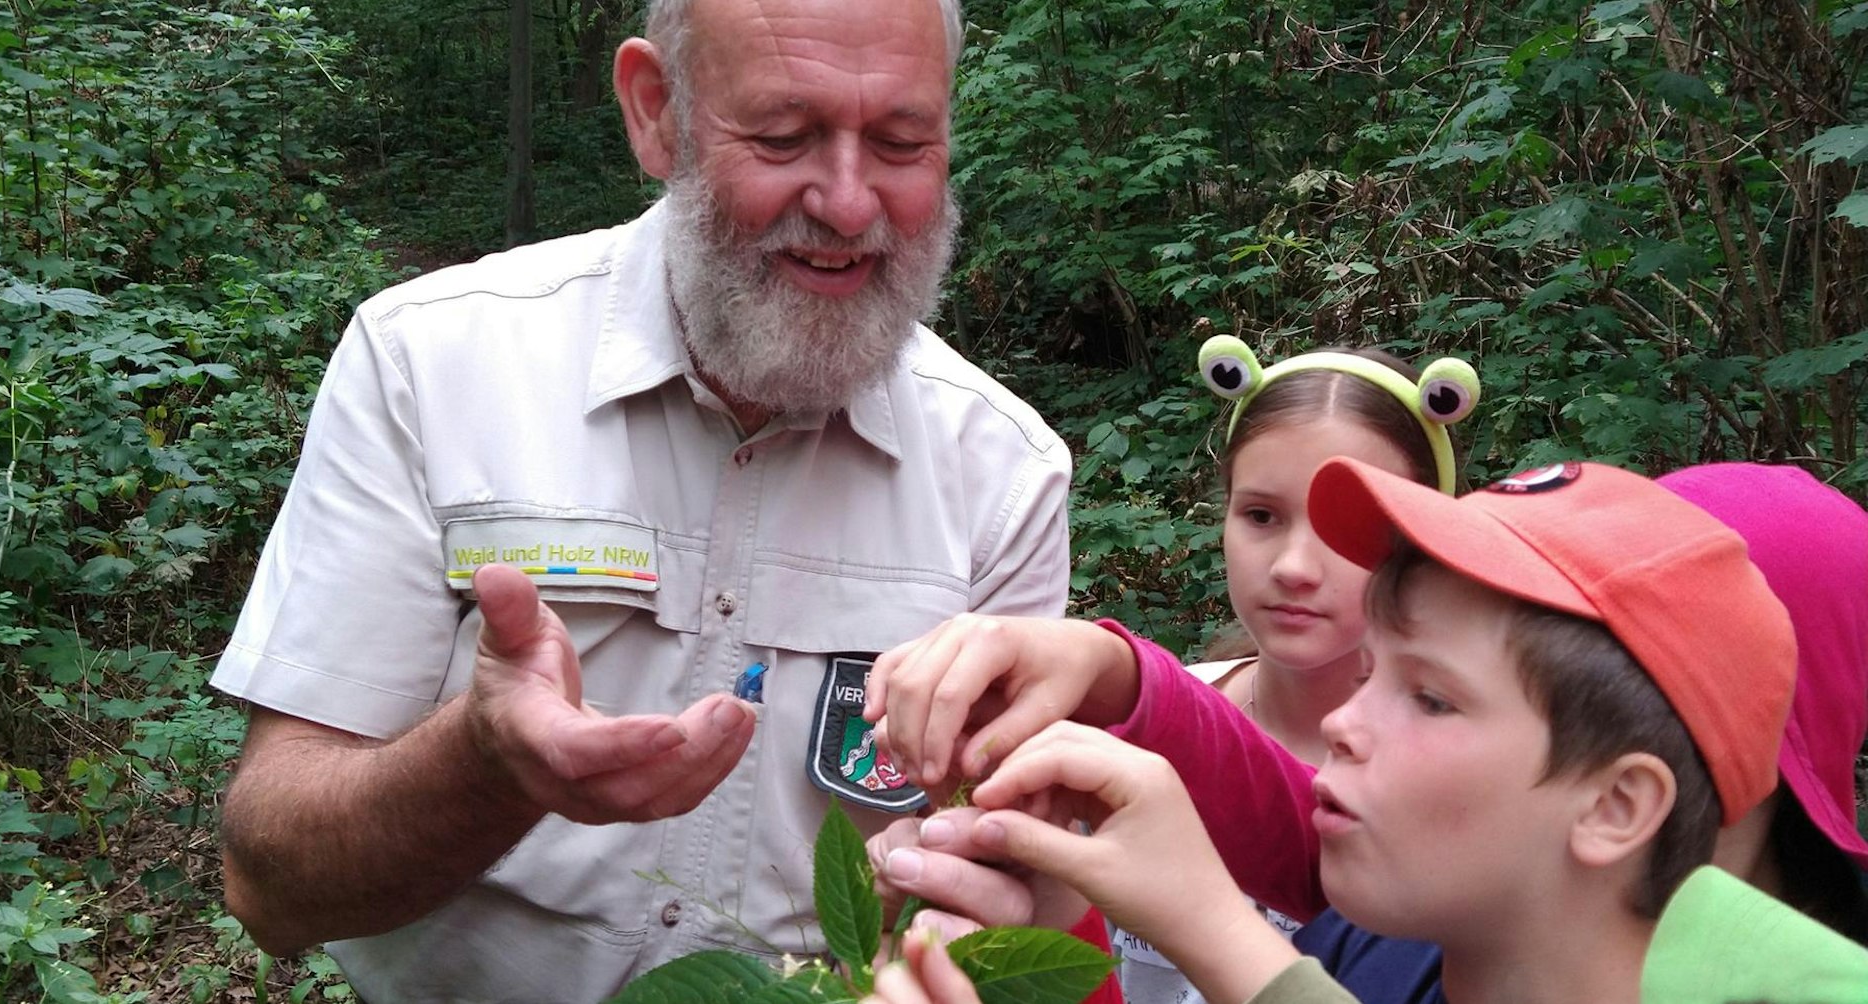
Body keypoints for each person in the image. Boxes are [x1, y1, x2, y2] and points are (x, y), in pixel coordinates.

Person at [207, 0, 1075, 999]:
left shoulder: (1003, 473)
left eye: (900, 142)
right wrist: (486, 764)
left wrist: (976, 903)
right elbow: (267, 882)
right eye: (784, 136)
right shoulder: (430, 365)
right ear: (654, 109)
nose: (846, 202)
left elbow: (999, 881)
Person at [869, 461, 1868, 1000]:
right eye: (1370, 670)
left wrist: (1213, 926)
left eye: (1428, 695)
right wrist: (1059, 923)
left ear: (1618, 800)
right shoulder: (1399, 939)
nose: (1340, 723)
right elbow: (1274, 810)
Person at [1123, 336, 1480, 1001]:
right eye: (1261, 515)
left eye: (1345, 525)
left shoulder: (1460, 785)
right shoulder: (1144, 727)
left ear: (1427, 541)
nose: (1292, 566)